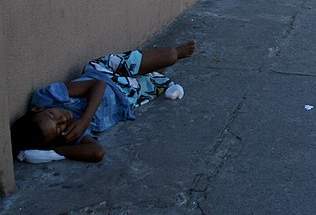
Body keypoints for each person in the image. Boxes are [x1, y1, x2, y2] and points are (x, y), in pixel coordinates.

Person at [10, 40, 196, 163]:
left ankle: (176, 53)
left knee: (170, 55)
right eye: (58, 127)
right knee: (154, 82)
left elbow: (98, 85)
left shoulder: (46, 97)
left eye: (53, 115)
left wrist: (84, 121)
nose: (63, 119)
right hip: (125, 98)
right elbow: (96, 152)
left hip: (105, 72)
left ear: (38, 109)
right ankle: (152, 72)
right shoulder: (68, 135)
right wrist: (54, 152)